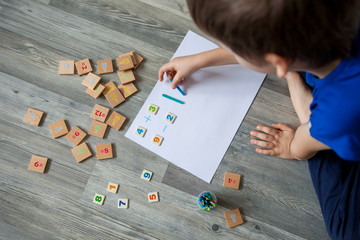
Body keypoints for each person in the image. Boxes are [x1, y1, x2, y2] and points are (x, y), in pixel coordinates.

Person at [158, 1, 360, 239]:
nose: (230, 51)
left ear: (278, 61)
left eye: (234, 50)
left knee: (343, 229)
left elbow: (307, 138)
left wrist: (292, 146)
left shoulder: (336, 113)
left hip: (341, 119)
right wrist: (199, 60)